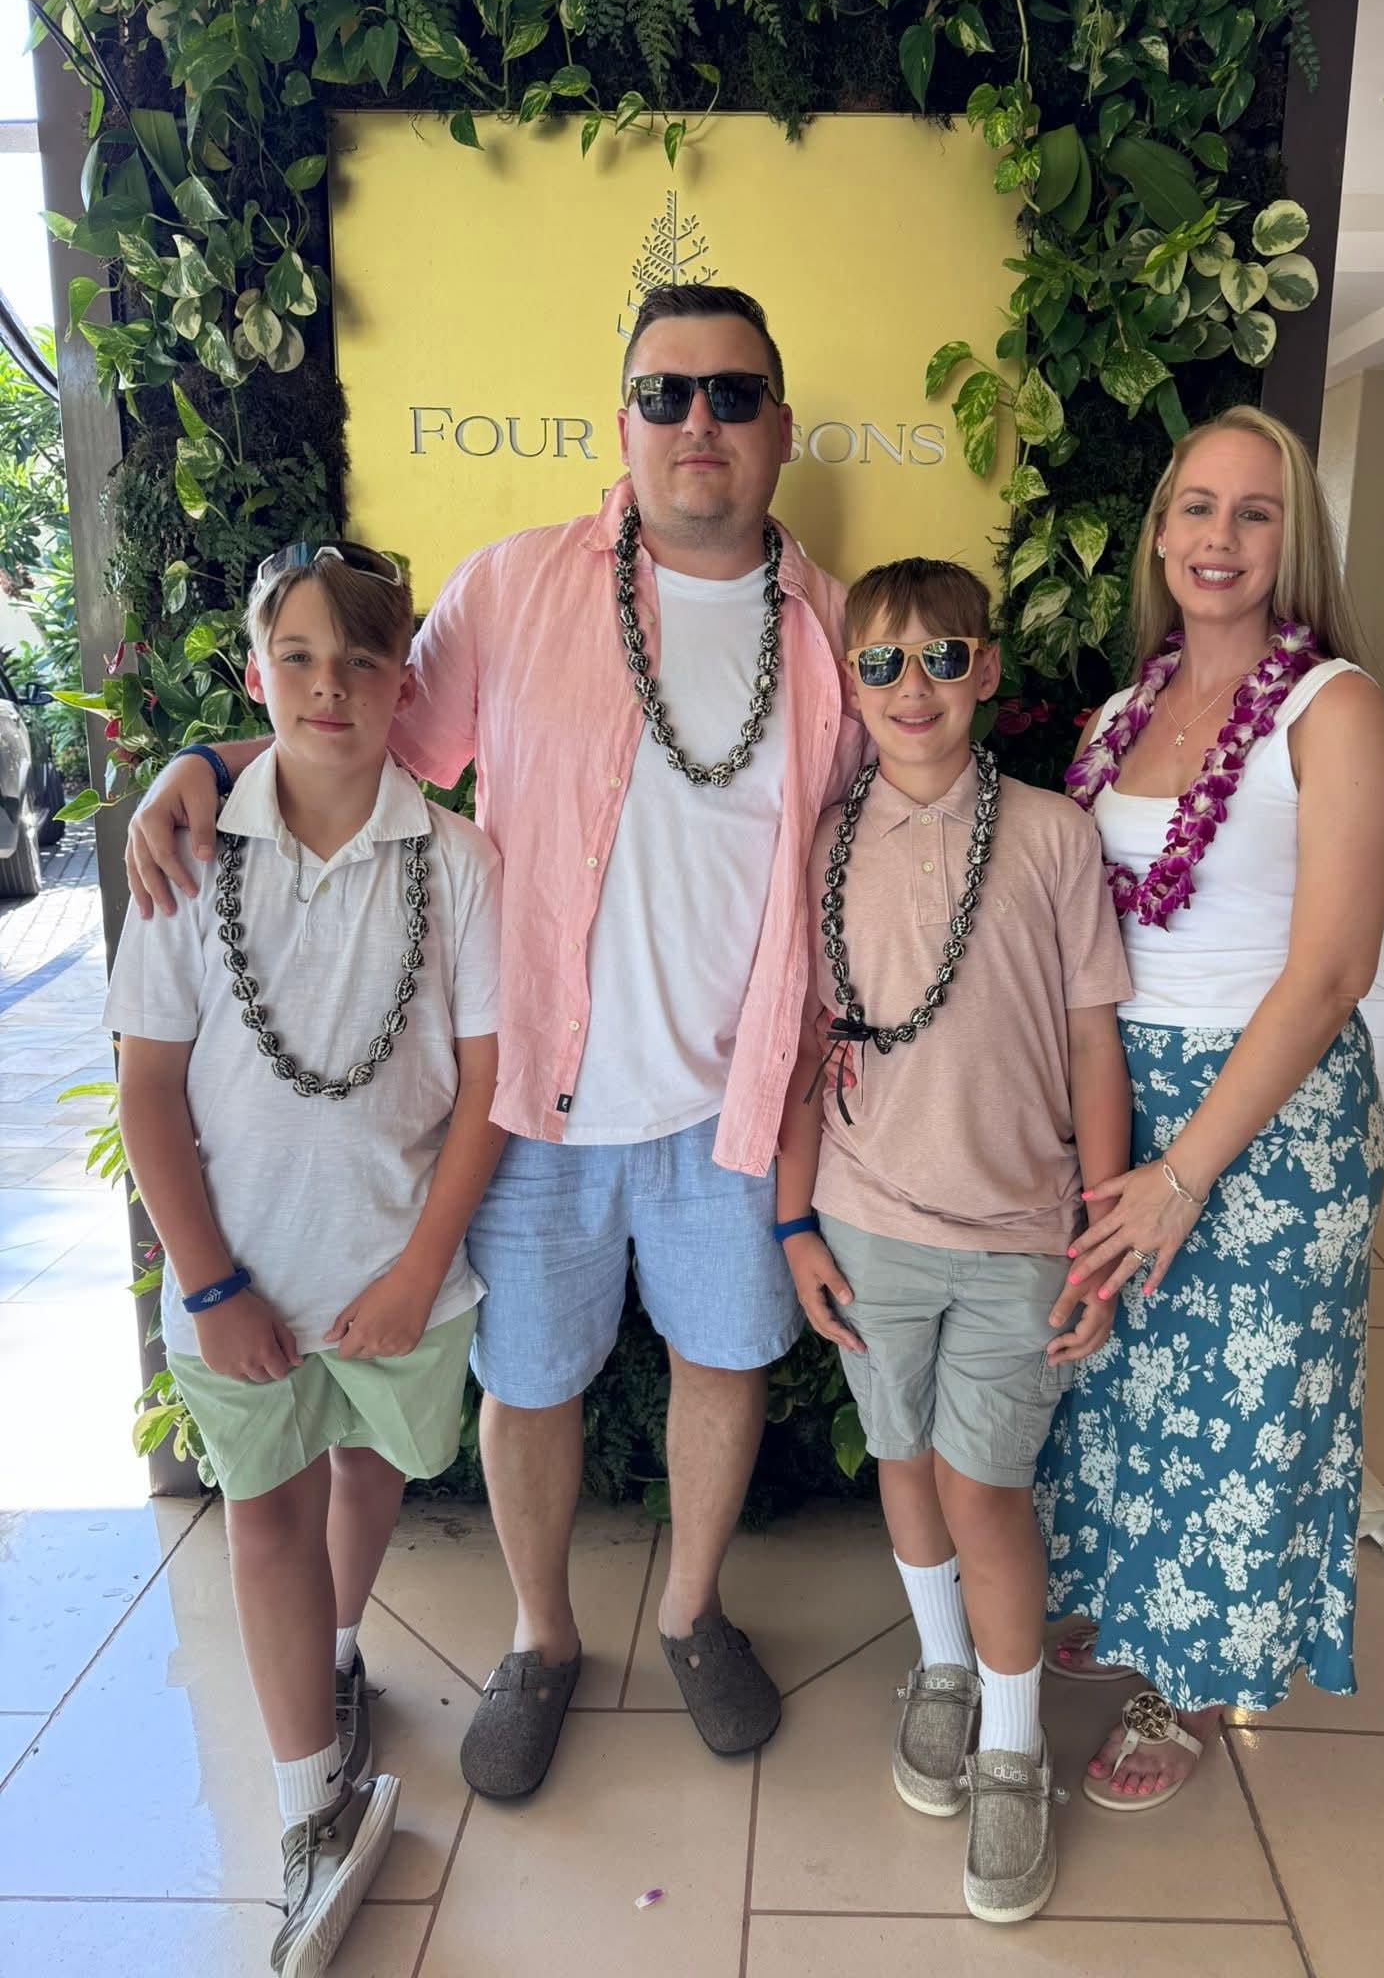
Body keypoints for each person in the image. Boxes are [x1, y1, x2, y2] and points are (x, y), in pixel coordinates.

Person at [123, 286, 866, 1797]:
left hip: (733, 1105)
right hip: (533, 1092)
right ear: (623, 425)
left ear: (781, 426)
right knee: (530, 1381)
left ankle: (691, 1609)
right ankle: (540, 1638)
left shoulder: (842, 630)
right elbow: (365, 736)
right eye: (664, 395)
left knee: (723, 1363)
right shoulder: (519, 588)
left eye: (732, 394)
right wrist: (207, 760)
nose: (698, 425)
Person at [108, 544, 504, 1976]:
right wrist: (208, 1285)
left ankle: (338, 1654)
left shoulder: (454, 862)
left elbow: (483, 1083)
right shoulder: (189, 856)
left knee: (367, 1468)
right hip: (240, 1282)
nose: (329, 689)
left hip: (397, 1274)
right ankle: (303, 1809)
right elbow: (149, 1088)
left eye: (361, 661)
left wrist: (416, 1273)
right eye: (298, 659)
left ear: (405, 683)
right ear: (255, 671)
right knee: (260, 1513)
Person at [1035, 405, 1384, 1809]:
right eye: (1197, 507)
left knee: (1242, 1408)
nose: (1219, 538)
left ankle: (1186, 1684)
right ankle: (1137, 1605)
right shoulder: (1122, 712)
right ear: (1160, 532)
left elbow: (1330, 973)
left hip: (1271, 1114)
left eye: (1255, 513)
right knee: (1130, 1389)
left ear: (1291, 539)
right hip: (1132, 1096)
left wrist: (1188, 1171)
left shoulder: (1335, 708)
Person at [776, 558, 1132, 1922]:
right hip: (869, 1224)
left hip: (1019, 1233)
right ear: (850, 687)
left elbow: (1093, 1036)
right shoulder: (828, 847)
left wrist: (1099, 1228)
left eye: (942, 658)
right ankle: (939, 1661)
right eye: (881, 664)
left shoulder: (1050, 836)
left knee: (989, 1489)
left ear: (988, 671)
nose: (911, 688)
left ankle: (1009, 1741)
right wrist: (794, 1219)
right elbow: (809, 1050)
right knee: (906, 1458)